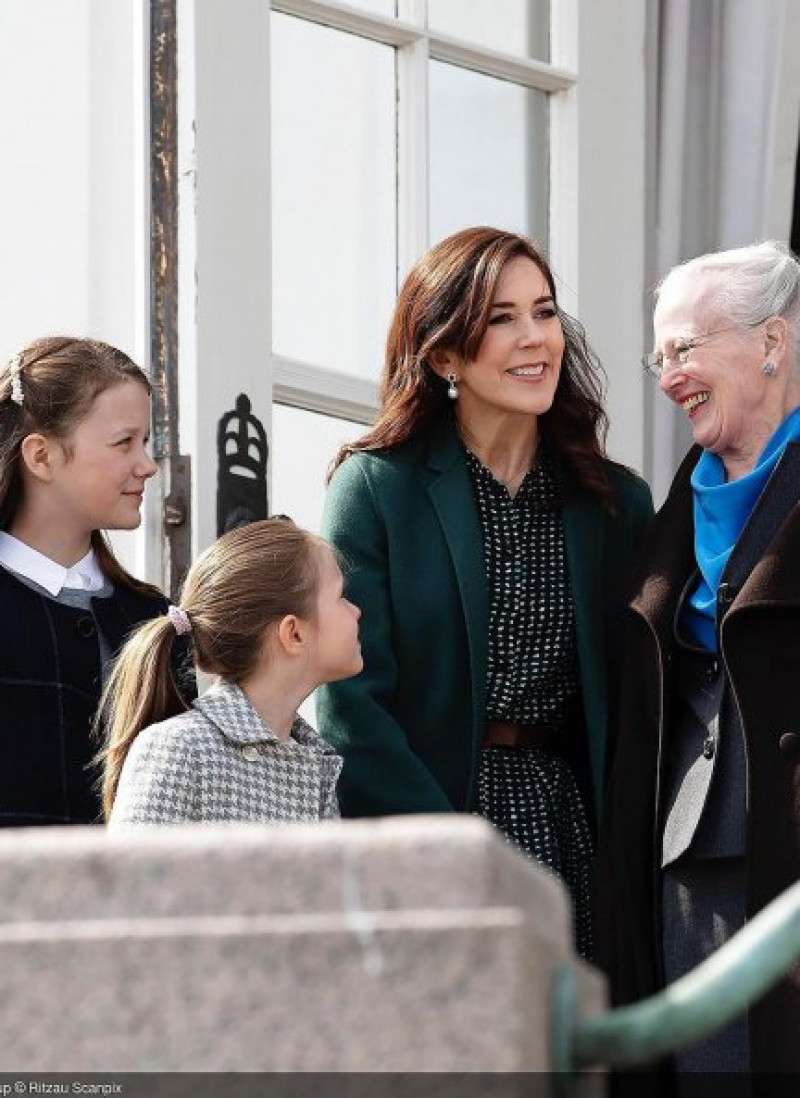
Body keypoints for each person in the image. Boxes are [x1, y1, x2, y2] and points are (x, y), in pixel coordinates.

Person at [317, 226, 654, 958]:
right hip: (426, 835)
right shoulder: (376, 488)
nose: (536, 338)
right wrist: (447, 854)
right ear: (443, 354)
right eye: (501, 319)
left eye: (545, 310)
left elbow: (642, 702)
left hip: (575, 835)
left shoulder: (616, 504)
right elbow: (351, 704)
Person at [594, 240, 800, 1083]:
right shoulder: (668, 514)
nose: (670, 374)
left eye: (686, 347)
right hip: (687, 866)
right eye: (660, 357)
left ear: (771, 343)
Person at [0, 335, 192, 828]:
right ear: (41, 457)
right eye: (124, 442)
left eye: (146, 442)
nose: (147, 465)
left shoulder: (159, 623)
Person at [103, 518, 360, 828]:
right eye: (340, 596)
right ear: (294, 634)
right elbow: (132, 876)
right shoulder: (176, 749)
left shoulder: (313, 760)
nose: (355, 610)